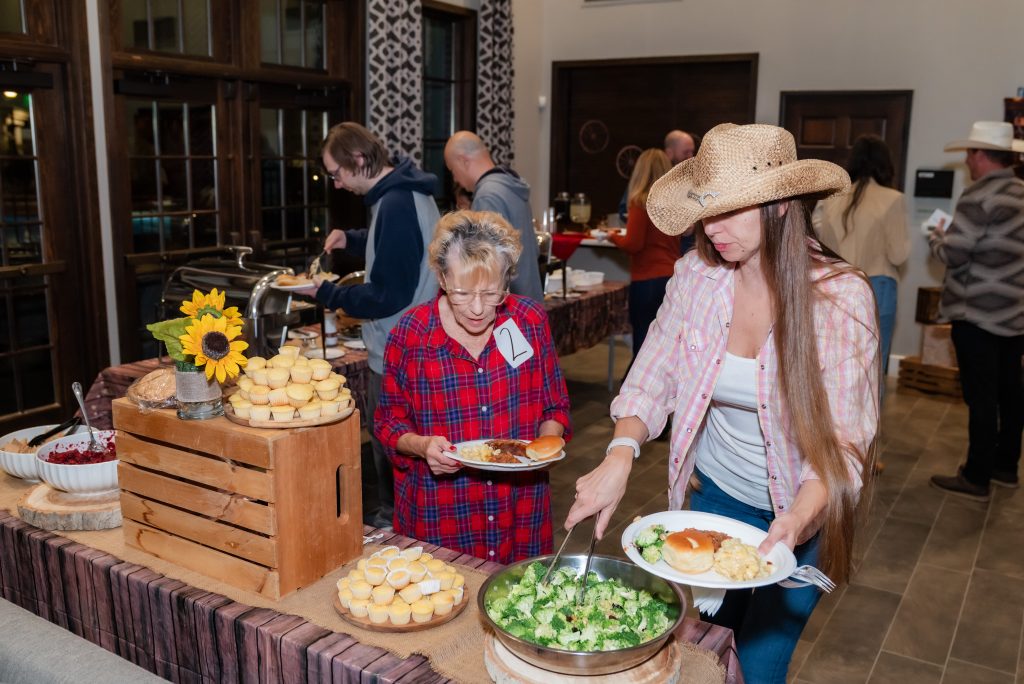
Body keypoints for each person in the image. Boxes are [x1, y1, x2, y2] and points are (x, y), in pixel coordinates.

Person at [566, 123, 879, 684]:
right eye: (705, 209)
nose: (712, 228)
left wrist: (799, 520)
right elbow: (653, 374)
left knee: (758, 669)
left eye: (732, 210)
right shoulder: (696, 277)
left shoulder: (838, 297)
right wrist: (619, 454)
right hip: (717, 498)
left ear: (782, 205)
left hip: (801, 513)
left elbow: (844, 443)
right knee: (700, 657)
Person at [374, 210, 571, 563]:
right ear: (442, 277)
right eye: (463, 293)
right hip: (442, 513)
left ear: (507, 282)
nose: (479, 309)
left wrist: (544, 447)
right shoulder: (412, 335)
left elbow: (554, 407)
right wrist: (422, 446)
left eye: (491, 292)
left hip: (519, 510)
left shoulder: (529, 322)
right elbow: (388, 423)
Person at [299, 121, 440, 531]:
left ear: (358, 160)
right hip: (414, 341)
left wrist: (328, 293)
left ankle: (395, 534)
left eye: (337, 173)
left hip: (400, 349)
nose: (337, 185)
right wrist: (353, 239)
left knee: (392, 452)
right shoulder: (400, 194)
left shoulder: (395, 202)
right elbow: (400, 248)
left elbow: (387, 295)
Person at [928, 121, 1024, 499]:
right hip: (1015, 314)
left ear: (980, 155)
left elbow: (954, 252)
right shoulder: (1021, 191)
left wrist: (936, 236)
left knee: (981, 397)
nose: (967, 161)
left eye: (969, 153)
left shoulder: (977, 196)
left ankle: (976, 476)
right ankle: (1005, 467)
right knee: (1011, 393)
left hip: (977, 314)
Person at [816, 134, 910, 376]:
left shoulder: (830, 198)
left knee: (833, 362)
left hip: (834, 286)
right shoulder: (893, 199)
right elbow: (899, 255)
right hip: (877, 286)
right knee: (872, 368)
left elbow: (817, 245)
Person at [444, 131, 543, 301]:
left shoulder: (486, 196)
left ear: (464, 160)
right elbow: (533, 248)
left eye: (453, 171)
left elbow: (486, 268)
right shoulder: (510, 185)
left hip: (509, 307)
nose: (456, 179)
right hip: (529, 300)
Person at [608, 148, 680, 364]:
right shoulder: (674, 205)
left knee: (643, 340)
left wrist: (613, 237)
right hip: (671, 278)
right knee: (665, 340)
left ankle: (637, 389)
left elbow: (634, 244)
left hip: (646, 280)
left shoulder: (640, 202)